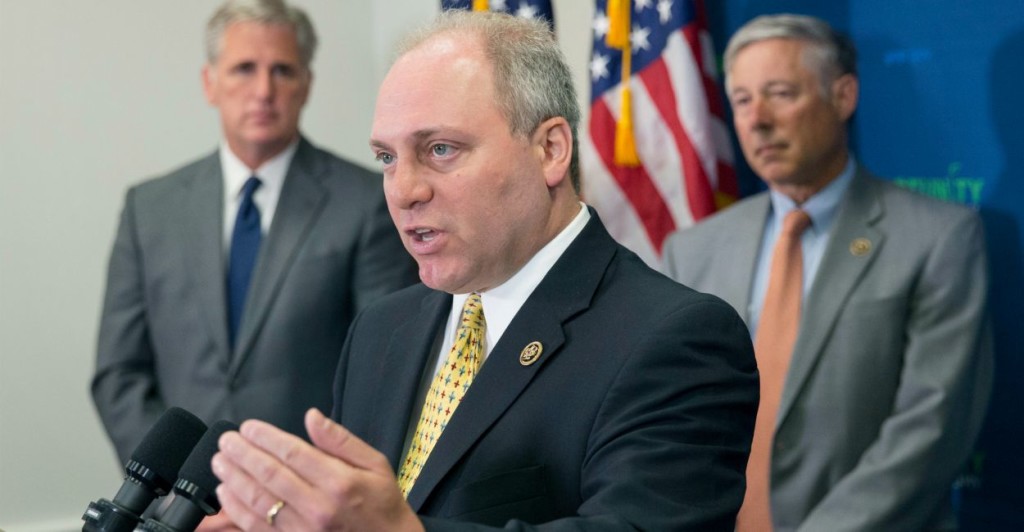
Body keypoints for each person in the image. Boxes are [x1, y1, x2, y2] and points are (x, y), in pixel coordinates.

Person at [210, 10, 759, 531]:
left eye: (441, 149)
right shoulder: (381, 330)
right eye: (387, 158)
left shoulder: (677, 338)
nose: (404, 191)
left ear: (550, 150)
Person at [663, 14, 993, 532]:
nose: (757, 119)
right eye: (743, 100)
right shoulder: (693, 250)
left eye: (779, 93)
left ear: (843, 96)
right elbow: (671, 419)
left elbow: (933, 427)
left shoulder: (938, 237)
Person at [92, 0, 416, 466]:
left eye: (282, 70)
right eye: (244, 69)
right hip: (178, 506)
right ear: (210, 83)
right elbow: (119, 375)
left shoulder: (367, 203)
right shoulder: (149, 209)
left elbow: (383, 371)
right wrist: (175, 482)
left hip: (310, 499)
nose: (263, 90)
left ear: (306, 84)